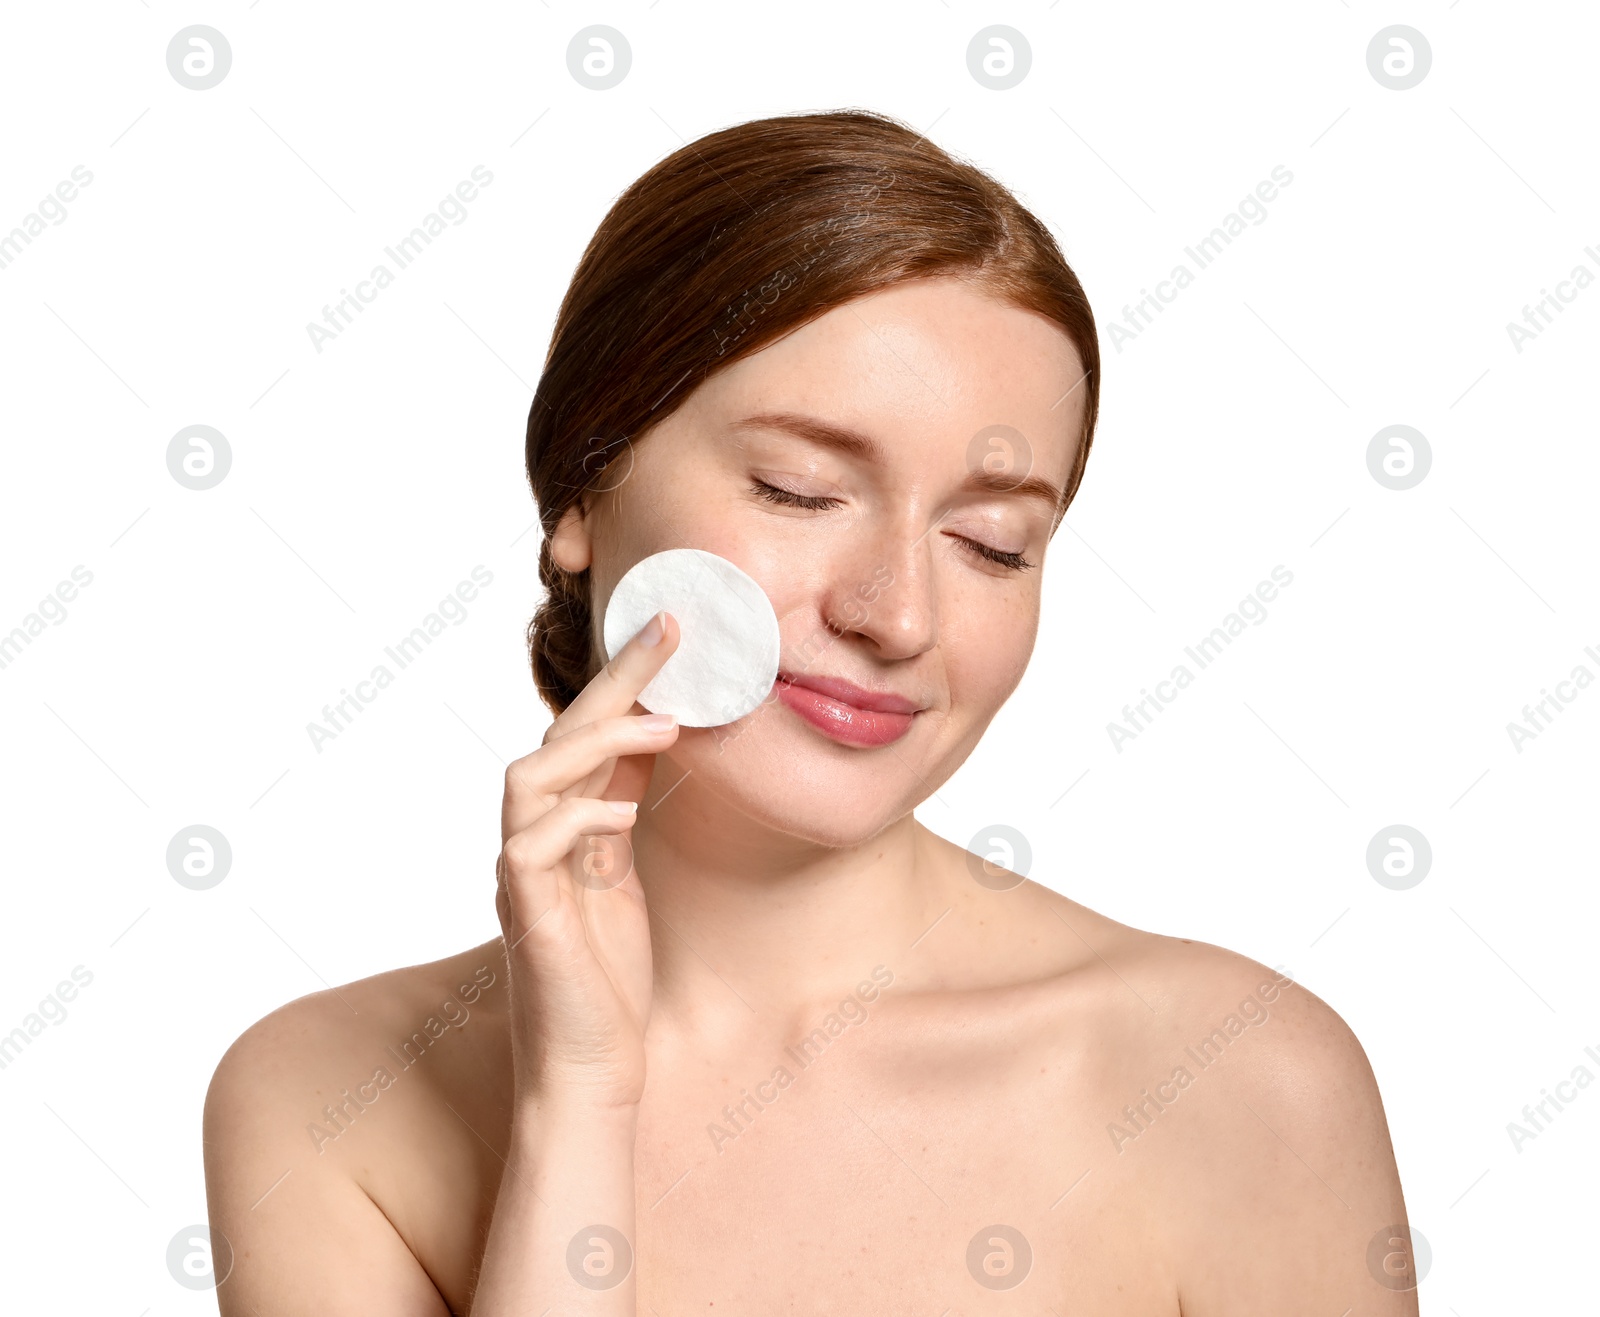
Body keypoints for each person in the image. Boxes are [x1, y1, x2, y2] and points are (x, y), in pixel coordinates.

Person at [203, 108, 1417, 1315]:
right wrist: (575, 1098)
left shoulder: (1235, 1082)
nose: (896, 616)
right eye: (801, 490)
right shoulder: (327, 1101)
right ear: (584, 485)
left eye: (993, 545)